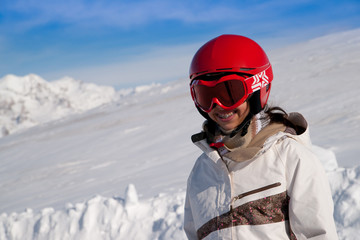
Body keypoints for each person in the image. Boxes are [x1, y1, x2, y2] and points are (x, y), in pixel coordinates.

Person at [184, 34, 338, 240]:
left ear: (257, 88)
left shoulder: (289, 157)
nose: (217, 105)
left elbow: (318, 235)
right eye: (205, 95)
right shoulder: (201, 173)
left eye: (229, 92)